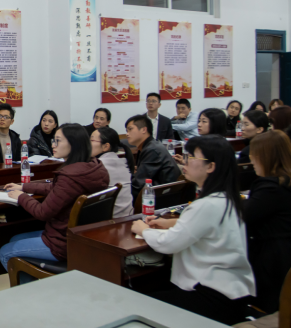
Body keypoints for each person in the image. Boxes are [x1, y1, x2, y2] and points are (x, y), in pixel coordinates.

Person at [131, 136, 255, 326]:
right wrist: (171, 223)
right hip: (233, 293)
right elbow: (205, 227)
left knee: (137, 301)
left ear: (210, 166)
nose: (185, 161)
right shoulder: (227, 198)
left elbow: (169, 243)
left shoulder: (207, 205)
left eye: (191, 157)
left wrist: (144, 229)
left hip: (213, 296)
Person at [0, 124, 110, 283]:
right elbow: (58, 189)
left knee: (5, 252)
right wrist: (24, 186)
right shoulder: (95, 168)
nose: (53, 145)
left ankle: (28, 293)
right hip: (82, 238)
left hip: (61, 243)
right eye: (53, 140)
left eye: (58, 141)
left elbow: (42, 212)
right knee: (15, 238)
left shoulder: (70, 176)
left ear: (73, 144)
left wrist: (21, 197)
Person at [245, 130, 291, 313]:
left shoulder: (271, 188)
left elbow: (243, 215)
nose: (251, 161)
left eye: (254, 156)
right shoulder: (285, 181)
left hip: (273, 257)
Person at [125, 115, 182, 199]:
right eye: (126, 131)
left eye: (130, 129)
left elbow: (138, 184)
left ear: (144, 130)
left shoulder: (152, 149)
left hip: (165, 197)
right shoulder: (149, 146)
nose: (127, 134)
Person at [91, 127, 134, 218]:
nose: (87, 144)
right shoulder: (122, 162)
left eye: (91, 140)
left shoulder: (98, 166)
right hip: (127, 216)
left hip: (111, 219)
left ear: (105, 146)